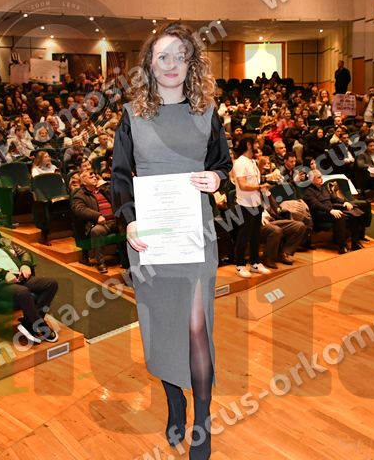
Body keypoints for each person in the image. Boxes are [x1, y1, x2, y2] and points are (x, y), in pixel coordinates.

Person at [111, 23, 232, 460]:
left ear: (191, 63)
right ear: (149, 63)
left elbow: (223, 164)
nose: (171, 65)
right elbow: (120, 177)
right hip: (150, 236)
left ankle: (203, 423)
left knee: (198, 327)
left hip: (194, 234)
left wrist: (216, 178)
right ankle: (175, 401)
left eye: (180, 56)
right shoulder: (131, 115)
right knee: (163, 326)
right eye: (162, 56)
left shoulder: (207, 111)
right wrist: (128, 221)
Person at [0, 216, 59, 343]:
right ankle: (40, 325)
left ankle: (28, 323)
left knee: (51, 284)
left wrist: (25, 264)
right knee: (23, 292)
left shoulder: (4, 241)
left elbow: (24, 253)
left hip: (19, 277)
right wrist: (3, 274)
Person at [230, 134, 271, 278]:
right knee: (243, 236)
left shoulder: (252, 161)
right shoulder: (240, 162)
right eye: (256, 143)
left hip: (256, 203)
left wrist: (264, 182)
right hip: (244, 205)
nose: (258, 145)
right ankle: (240, 265)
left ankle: (255, 262)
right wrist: (260, 187)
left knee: (255, 235)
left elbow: (254, 181)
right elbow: (242, 185)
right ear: (249, 144)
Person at [302, 170, 366, 253]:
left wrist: (344, 202)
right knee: (340, 216)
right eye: (319, 177)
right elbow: (316, 205)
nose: (321, 179)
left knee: (354, 213)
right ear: (312, 180)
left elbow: (334, 198)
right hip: (320, 214)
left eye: (321, 176)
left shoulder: (323, 188)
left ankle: (355, 242)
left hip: (331, 210)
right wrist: (330, 211)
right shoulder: (308, 191)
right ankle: (342, 246)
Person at [71, 168, 119, 274]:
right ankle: (100, 262)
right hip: (99, 224)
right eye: (91, 176)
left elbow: (117, 196)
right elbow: (79, 209)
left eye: (95, 175)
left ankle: (126, 260)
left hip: (115, 220)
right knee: (97, 231)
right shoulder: (80, 195)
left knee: (127, 225)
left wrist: (105, 185)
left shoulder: (103, 189)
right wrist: (97, 216)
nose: (94, 177)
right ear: (83, 181)